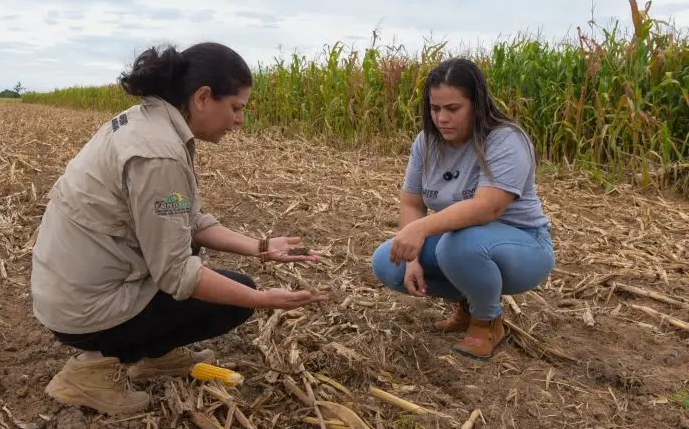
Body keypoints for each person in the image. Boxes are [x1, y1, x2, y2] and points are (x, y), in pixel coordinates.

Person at [30, 42, 327, 415]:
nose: (239, 121)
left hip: (70, 288)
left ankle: (156, 355)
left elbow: (188, 220)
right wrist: (262, 300)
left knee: (196, 257)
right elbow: (175, 273)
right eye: (236, 108)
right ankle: (89, 372)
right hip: (83, 309)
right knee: (232, 300)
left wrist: (261, 247)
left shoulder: (148, 123)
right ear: (203, 97)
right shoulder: (159, 154)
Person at [371, 57, 554, 360]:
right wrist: (413, 257)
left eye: (453, 109)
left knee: (456, 245)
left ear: (476, 104)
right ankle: (470, 304)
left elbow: (487, 208)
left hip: (524, 247)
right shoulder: (426, 142)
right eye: (435, 109)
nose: (442, 118)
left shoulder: (506, 139)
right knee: (388, 263)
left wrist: (420, 230)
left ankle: (488, 322)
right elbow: (412, 202)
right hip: (463, 245)